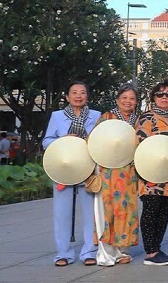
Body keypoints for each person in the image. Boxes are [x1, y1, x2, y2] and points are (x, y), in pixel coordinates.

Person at [43, 81, 101, 267]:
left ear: (87, 96)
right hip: (63, 168)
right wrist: (63, 140)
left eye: (82, 92)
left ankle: (89, 252)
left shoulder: (96, 116)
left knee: (90, 213)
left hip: (87, 169)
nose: (78, 96)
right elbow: (46, 141)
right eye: (74, 92)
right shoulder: (57, 116)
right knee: (62, 213)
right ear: (67, 97)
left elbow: (101, 141)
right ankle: (63, 253)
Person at [136, 79, 168, 266]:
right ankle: (150, 252)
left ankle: (157, 247)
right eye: (160, 94)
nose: (164, 97)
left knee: (164, 213)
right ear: (153, 97)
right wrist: (145, 174)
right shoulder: (147, 117)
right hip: (152, 173)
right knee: (150, 212)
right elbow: (140, 146)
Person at [94, 83, 140, 266]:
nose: (128, 101)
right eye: (124, 97)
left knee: (126, 210)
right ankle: (106, 253)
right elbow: (95, 141)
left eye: (132, 98)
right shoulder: (107, 118)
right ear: (117, 99)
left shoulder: (137, 120)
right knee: (107, 211)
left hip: (128, 171)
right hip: (107, 171)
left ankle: (122, 250)